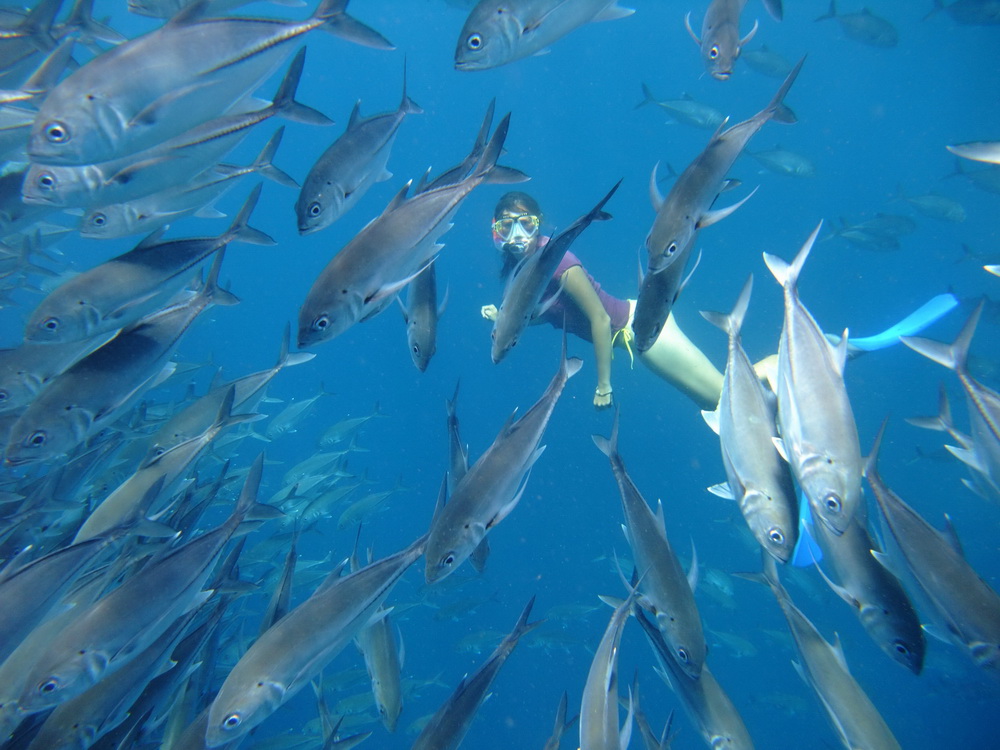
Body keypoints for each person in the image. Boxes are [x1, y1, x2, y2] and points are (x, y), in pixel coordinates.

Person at [480, 191, 725, 411]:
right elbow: (547, 313)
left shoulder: (560, 264)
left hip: (640, 327)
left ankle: (764, 374)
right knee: (714, 399)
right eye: (506, 228)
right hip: (634, 333)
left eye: (525, 224)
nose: (516, 236)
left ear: (539, 224)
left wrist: (603, 385)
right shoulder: (526, 271)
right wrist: (502, 319)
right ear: (495, 231)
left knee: (722, 399)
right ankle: (764, 375)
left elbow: (600, 319)